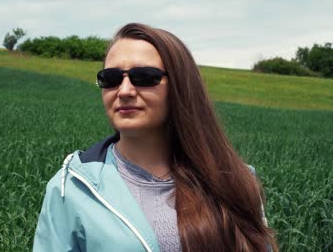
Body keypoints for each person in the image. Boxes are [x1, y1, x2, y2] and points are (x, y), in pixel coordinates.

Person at [33, 23, 278, 252]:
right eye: (111, 78)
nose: (125, 91)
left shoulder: (233, 181)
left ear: (180, 86)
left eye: (145, 77)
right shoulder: (72, 189)